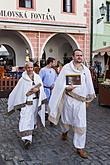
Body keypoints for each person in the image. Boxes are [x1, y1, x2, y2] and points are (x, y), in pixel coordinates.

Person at [48, 49, 96, 158]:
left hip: (80, 102)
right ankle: (65, 132)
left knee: (81, 124)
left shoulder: (86, 70)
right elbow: (59, 83)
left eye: (81, 55)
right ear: (73, 56)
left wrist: (89, 100)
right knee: (66, 120)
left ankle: (80, 147)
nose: (79, 57)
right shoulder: (66, 68)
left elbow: (89, 85)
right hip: (69, 100)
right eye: (77, 55)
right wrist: (66, 88)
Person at [8, 62, 47, 149]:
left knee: (33, 118)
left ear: (33, 68)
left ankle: (31, 130)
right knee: (25, 118)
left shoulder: (37, 77)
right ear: (25, 68)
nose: (30, 69)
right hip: (26, 104)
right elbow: (18, 91)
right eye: (28, 68)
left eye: (31, 67)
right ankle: (27, 139)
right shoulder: (23, 79)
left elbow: (41, 87)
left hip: (36, 102)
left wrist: (37, 89)